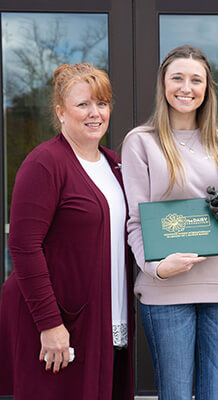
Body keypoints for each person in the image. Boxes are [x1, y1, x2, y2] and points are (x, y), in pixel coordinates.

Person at [121, 45, 218, 400]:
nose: (186, 87)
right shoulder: (141, 142)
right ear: (163, 85)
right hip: (166, 290)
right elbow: (135, 222)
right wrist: (156, 268)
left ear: (207, 89)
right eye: (177, 78)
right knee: (176, 396)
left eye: (196, 80)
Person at [0, 63, 134, 399]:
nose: (95, 113)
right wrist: (50, 324)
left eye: (101, 104)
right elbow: (23, 246)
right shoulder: (45, 162)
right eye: (83, 104)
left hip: (104, 320)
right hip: (57, 323)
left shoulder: (114, 163)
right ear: (60, 112)